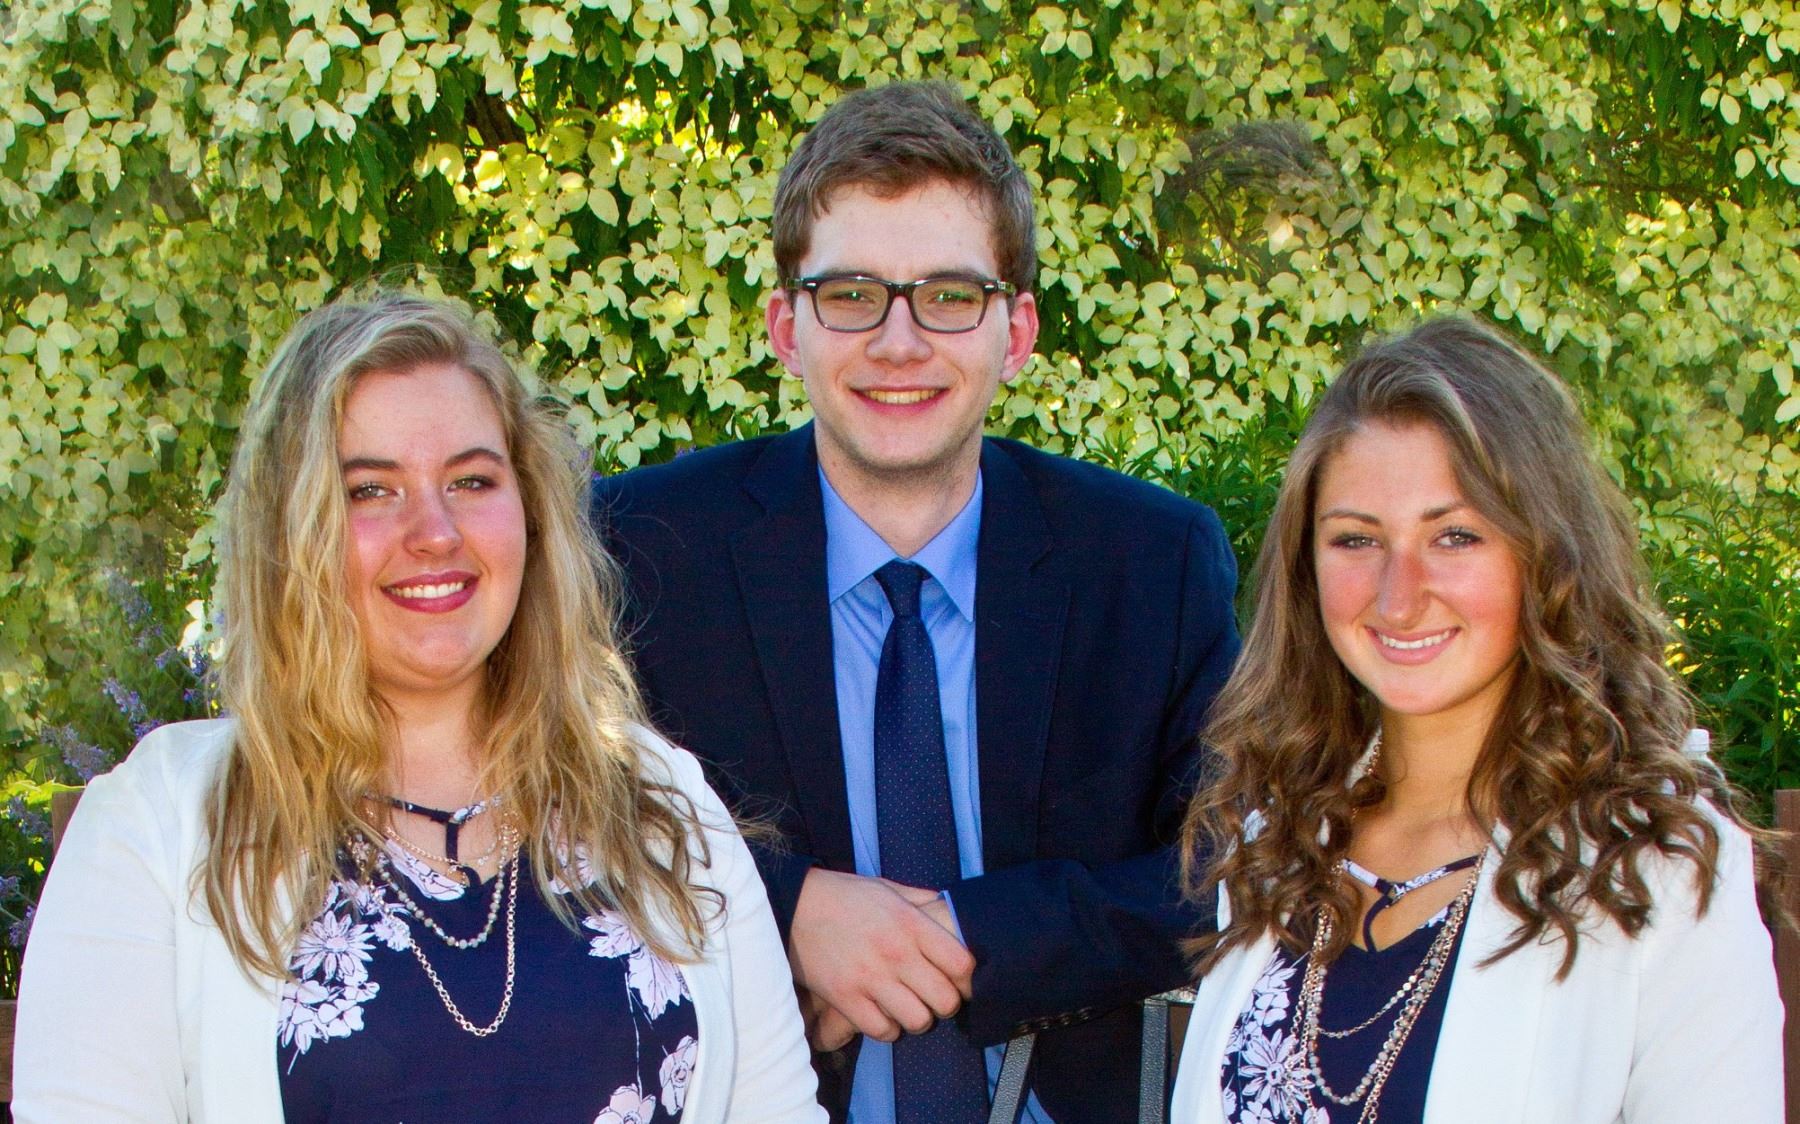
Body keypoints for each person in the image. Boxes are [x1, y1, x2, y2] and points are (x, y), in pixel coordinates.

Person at [594, 81, 1242, 1123]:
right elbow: (564, 813)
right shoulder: (643, 549)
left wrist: (964, 934)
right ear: (784, 325)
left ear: (1016, 330)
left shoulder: (1150, 561)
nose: (900, 341)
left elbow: (1228, 868)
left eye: (949, 294)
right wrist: (790, 909)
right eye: (851, 293)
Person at [16, 293, 826, 1123]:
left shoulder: (662, 803)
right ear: (291, 532)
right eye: (371, 490)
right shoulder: (155, 828)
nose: (434, 532)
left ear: (533, 513)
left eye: (472, 479)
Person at [1170, 316, 1782, 1123]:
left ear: (1546, 555)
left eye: (1454, 536)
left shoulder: (1658, 867)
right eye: (1356, 540)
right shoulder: (1277, 836)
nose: (1399, 594)